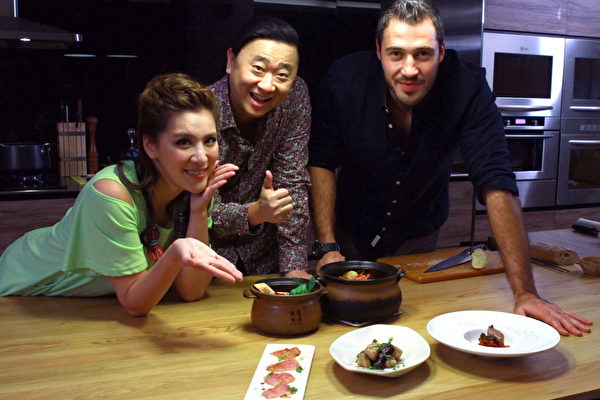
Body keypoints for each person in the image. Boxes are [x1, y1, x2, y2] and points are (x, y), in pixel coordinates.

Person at [308, 0, 592, 336]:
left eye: (423, 54)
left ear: (441, 51)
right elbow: (322, 162)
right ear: (379, 51)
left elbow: (496, 182)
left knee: (412, 323)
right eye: (396, 54)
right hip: (351, 233)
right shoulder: (344, 79)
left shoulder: (467, 87)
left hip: (419, 233)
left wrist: (526, 293)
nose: (409, 69)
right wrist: (328, 245)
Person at [0, 73, 243, 316]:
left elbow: (192, 291)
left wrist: (198, 211)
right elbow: (135, 303)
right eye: (183, 142)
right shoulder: (112, 193)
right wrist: (177, 250)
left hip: (81, 303)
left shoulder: (192, 188)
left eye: (209, 140)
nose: (201, 157)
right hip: (21, 287)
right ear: (150, 146)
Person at [209, 16, 311, 278]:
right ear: (231, 61)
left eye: (282, 75)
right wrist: (255, 212)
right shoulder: (201, 111)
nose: (267, 85)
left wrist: (294, 268)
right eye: (257, 68)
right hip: (206, 259)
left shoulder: (294, 98)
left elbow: (292, 183)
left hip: (266, 260)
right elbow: (200, 208)